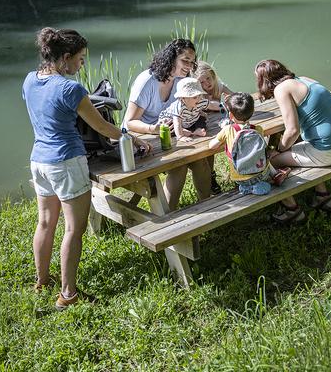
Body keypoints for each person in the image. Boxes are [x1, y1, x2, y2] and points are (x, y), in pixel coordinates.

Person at [23, 27, 150, 311]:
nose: (82, 65)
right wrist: (133, 137)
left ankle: (42, 281)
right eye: (80, 59)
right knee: (73, 228)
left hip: (39, 162)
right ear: (65, 57)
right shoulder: (71, 89)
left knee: (45, 222)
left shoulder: (30, 81)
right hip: (66, 162)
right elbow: (102, 127)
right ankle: (68, 295)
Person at [255, 59, 331, 223]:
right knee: (298, 145)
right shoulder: (305, 79)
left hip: (329, 151)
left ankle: (291, 210)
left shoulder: (281, 89)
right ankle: (322, 196)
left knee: (269, 162)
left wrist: (279, 150)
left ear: (263, 80)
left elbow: (292, 131)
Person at [123, 38, 211, 208]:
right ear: (171, 58)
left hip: (171, 135)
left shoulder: (181, 81)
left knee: (200, 159)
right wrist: (153, 129)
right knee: (179, 166)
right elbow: (128, 123)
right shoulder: (147, 81)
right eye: (185, 60)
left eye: (192, 62)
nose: (188, 66)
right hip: (144, 140)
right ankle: (168, 217)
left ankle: (207, 206)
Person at [208, 92, 280, 196]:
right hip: (260, 174)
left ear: (230, 115)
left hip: (238, 176)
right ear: (252, 112)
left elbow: (212, 146)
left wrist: (223, 131)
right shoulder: (257, 129)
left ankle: (246, 188)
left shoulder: (228, 130)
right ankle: (265, 181)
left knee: (244, 181)